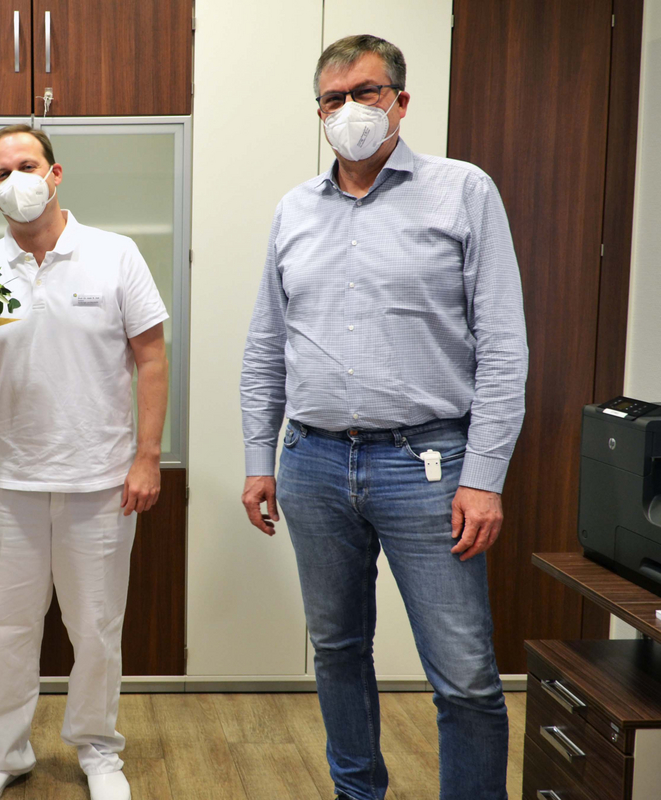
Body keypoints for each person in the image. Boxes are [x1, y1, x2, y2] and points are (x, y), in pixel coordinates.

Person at [239, 35, 528, 800]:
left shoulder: (462, 192)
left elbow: (503, 348)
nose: (349, 110)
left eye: (365, 92)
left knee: (464, 674)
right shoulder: (294, 210)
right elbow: (267, 346)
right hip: (312, 463)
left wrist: (484, 477)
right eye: (332, 99)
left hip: (428, 467)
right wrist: (259, 459)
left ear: (400, 100)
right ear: (319, 113)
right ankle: (357, 792)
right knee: (337, 651)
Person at [0, 124, 169, 800]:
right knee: (11, 629)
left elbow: (152, 358)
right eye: (2, 172)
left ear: (55, 173)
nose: (17, 179)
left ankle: (99, 751)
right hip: (12, 481)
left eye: (28, 164)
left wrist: (147, 458)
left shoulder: (115, 254)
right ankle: (5, 754)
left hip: (101, 482)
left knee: (96, 630)